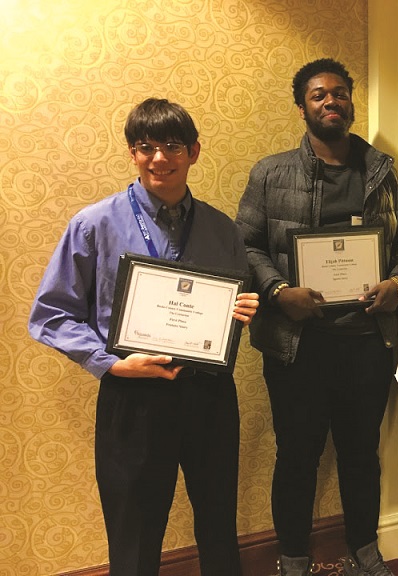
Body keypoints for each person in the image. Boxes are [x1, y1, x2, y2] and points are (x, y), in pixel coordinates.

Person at [28, 98, 259, 576]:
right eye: (145, 147)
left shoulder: (222, 228)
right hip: (132, 394)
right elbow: (51, 313)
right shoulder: (93, 225)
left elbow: (230, 304)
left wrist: (242, 310)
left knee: (218, 522)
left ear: (194, 152)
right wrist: (109, 362)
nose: (159, 158)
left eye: (172, 146)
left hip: (209, 394)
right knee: (133, 531)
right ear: (133, 154)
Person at [235, 58, 398, 576]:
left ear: (351, 103)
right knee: (297, 456)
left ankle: (364, 546)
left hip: (366, 343)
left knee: (362, 453)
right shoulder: (271, 173)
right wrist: (276, 290)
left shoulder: (383, 168)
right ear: (302, 108)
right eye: (318, 95)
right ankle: (293, 554)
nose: (330, 101)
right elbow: (245, 245)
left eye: (339, 93)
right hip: (298, 345)